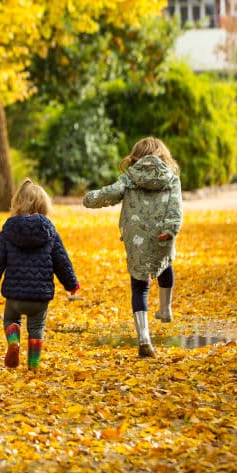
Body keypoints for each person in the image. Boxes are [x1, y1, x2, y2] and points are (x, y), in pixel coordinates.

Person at [83, 136, 183, 358]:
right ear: (163, 156)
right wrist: (171, 229)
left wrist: (91, 199)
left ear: (135, 156)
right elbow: (176, 207)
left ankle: (144, 338)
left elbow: (110, 193)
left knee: (139, 285)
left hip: (136, 237)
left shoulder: (130, 177)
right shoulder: (171, 178)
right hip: (162, 234)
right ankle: (165, 308)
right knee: (166, 266)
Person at [0, 179, 80, 369]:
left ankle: (13, 341)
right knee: (36, 329)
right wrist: (71, 284)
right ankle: (33, 365)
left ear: (16, 203)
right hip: (40, 296)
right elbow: (62, 260)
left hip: (15, 295)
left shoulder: (8, 230)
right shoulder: (50, 231)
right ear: (44, 205)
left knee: (10, 319)